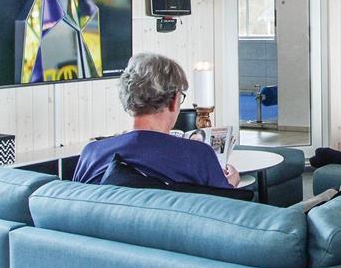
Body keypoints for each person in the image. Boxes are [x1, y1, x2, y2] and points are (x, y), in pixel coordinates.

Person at [72, 53, 242, 188]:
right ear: (173, 100)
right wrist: (231, 185)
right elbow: (223, 210)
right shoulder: (198, 155)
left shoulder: (91, 154)